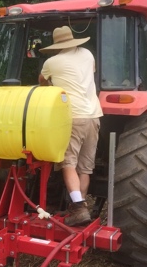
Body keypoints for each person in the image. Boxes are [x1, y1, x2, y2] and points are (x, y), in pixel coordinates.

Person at [38, 26, 103, 226]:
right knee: (85, 167)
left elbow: (42, 83)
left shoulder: (51, 62)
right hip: (94, 115)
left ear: (57, 44)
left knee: (68, 163)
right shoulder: (87, 54)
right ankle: (80, 208)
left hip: (73, 116)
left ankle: (79, 207)